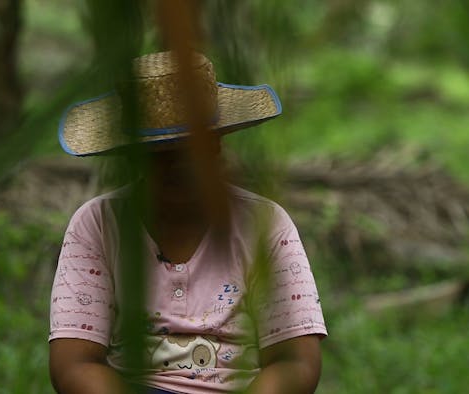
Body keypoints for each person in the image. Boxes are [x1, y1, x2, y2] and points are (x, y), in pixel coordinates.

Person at [48, 51, 327, 394]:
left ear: (215, 146)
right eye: (158, 155)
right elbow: (75, 363)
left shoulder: (264, 225)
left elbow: (295, 361)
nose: (176, 167)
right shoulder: (98, 224)